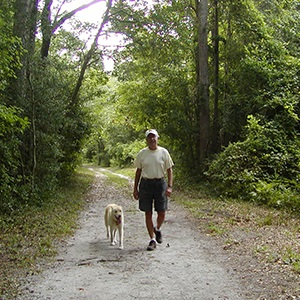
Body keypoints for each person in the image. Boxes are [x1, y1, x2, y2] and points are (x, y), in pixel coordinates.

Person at [133, 129, 174, 251]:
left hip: (160, 183)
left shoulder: (163, 152)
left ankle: (157, 228)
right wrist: (135, 188)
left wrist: (170, 186)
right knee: (148, 212)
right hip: (146, 184)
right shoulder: (142, 154)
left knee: (162, 211)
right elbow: (138, 171)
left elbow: (169, 170)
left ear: (157, 138)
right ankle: (152, 240)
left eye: (154, 137)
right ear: (146, 140)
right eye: (149, 137)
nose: (152, 139)